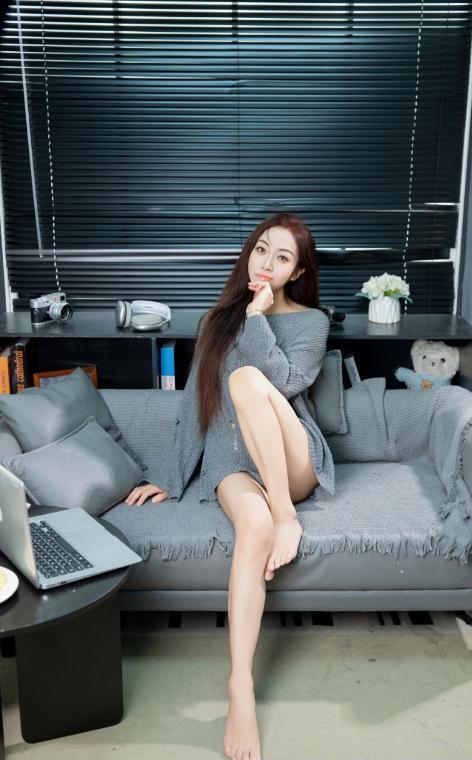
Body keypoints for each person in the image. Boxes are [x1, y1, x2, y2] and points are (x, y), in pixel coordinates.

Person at [124, 211, 336, 760]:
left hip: (291, 458)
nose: (266, 263)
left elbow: (285, 383)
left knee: (247, 378)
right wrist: (167, 476)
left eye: (282, 258)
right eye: (261, 249)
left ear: (297, 272)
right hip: (232, 463)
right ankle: (240, 685)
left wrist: (259, 317)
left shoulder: (312, 322)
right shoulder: (215, 321)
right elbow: (197, 403)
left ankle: (286, 513)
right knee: (254, 527)